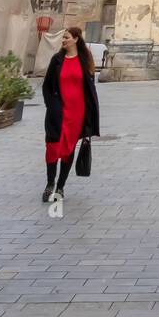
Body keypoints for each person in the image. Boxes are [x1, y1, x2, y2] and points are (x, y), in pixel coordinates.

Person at [41, 26, 100, 205]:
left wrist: (90, 118)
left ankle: (60, 186)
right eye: (63, 38)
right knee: (52, 147)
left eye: (66, 37)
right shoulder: (57, 60)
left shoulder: (84, 60)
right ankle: (49, 184)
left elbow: (90, 89)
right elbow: (46, 86)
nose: (63, 40)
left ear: (75, 39)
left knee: (67, 150)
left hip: (77, 113)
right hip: (57, 112)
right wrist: (51, 106)